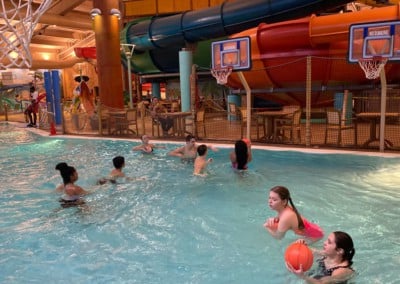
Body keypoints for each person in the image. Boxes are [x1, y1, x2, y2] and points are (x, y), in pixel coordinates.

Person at [286, 231, 355, 283]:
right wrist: (300, 245)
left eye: (329, 242)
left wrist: (303, 276)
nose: (324, 243)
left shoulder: (342, 271)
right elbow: (306, 252)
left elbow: (321, 283)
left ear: (339, 251)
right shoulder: (327, 255)